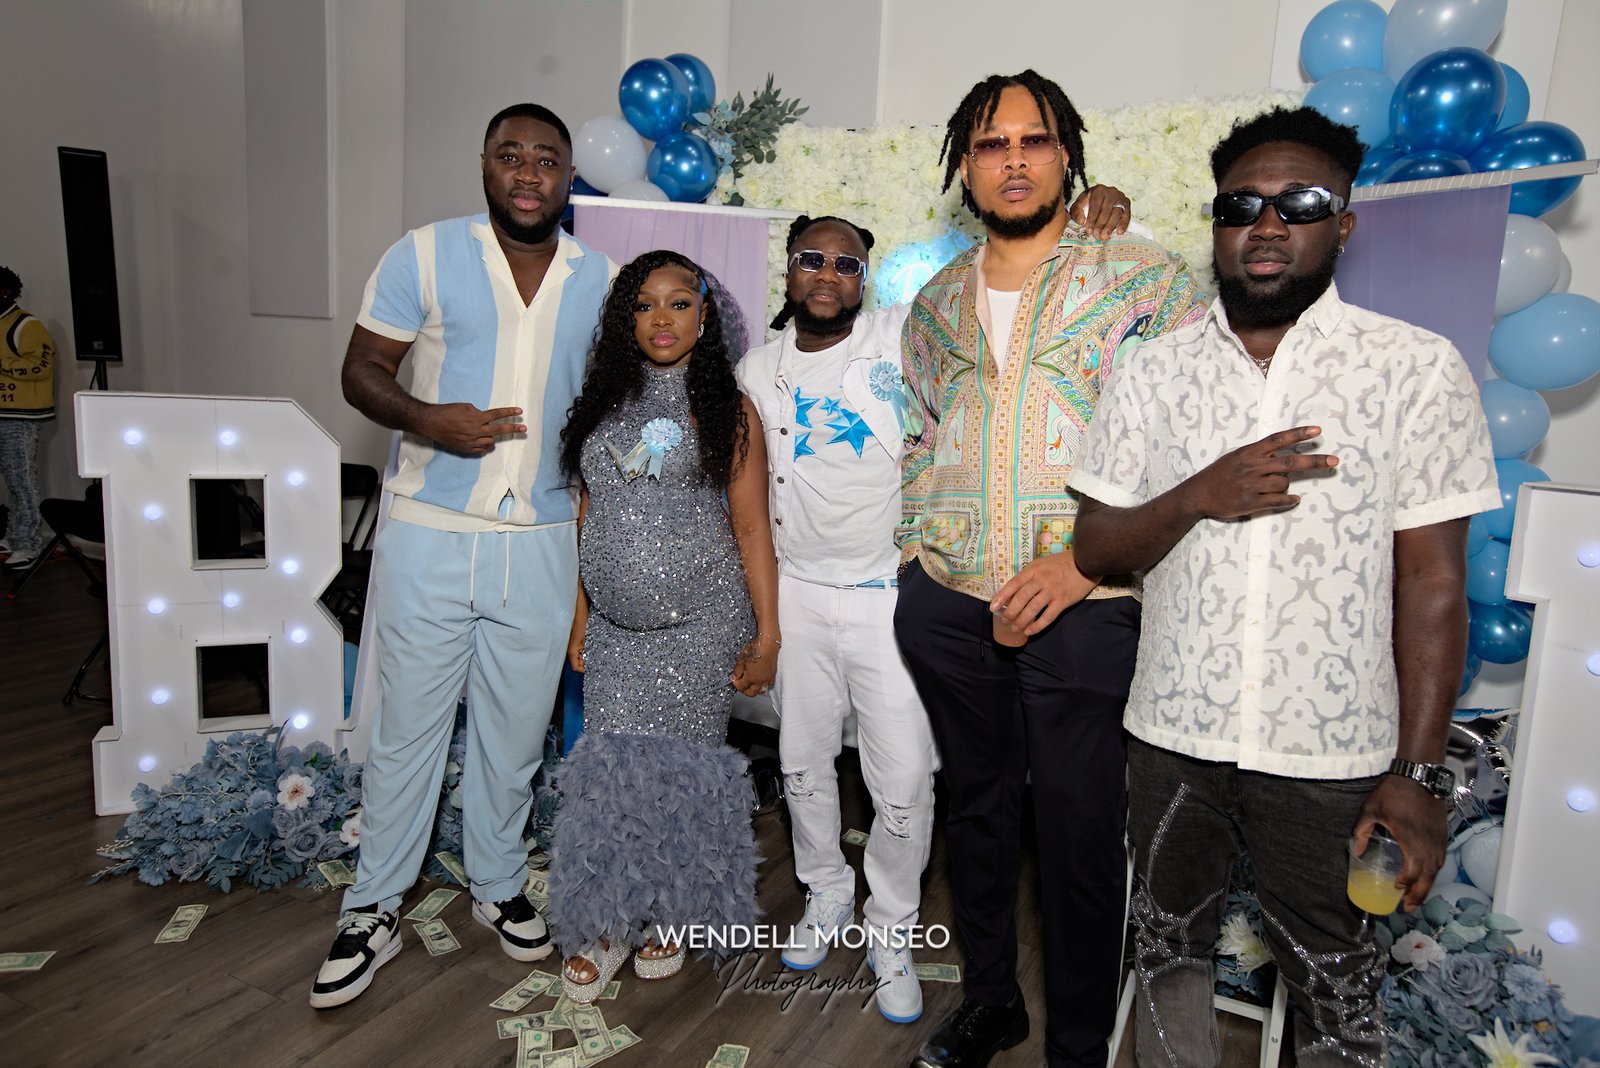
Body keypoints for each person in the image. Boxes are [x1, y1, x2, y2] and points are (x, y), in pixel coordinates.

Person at [1067, 106, 1501, 1067]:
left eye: (1298, 203)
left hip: (1335, 751)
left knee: (1335, 979)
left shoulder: (1414, 368)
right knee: (1167, 951)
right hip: (1174, 734)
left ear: (1343, 223)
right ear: (1216, 224)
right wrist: (1198, 495)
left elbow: (1433, 582)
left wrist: (1418, 775)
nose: (1266, 225)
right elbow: (1095, 546)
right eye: (1241, 205)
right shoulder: (1152, 372)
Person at [738, 190, 1132, 1026]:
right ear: (789, 270)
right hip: (799, 592)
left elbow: (1005, 285)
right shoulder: (754, 370)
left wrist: (1088, 216)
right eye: (812, 259)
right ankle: (825, 892)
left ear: (866, 279)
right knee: (802, 763)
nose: (828, 274)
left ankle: (891, 925)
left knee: (904, 782)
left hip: (888, 592)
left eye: (847, 263)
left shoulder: (904, 330)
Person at [895, 71, 1207, 1068]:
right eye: (992, 144)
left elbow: (1188, 450)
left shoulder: (1144, 278)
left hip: (1087, 598)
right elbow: (919, 432)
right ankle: (991, 1001)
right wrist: (914, 558)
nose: (1014, 160)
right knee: (976, 814)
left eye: (1034, 139)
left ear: (1067, 155)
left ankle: (1079, 1044)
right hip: (951, 598)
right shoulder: (935, 301)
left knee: (1079, 835)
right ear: (966, 167)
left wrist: (1084, 562)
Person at [310, 103, 616, 1010]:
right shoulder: (424, 254)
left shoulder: (602, 279)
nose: (528, 173)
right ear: (485, 164)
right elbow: (361, 371)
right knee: (407, 729)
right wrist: (425, 418)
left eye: (547, 160)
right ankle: (373, 906)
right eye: (510, 155)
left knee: (515, 734)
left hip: (545, 538)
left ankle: (498, 883)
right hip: (431, 528)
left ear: (569, 178)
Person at [548, 249, 779, 1003]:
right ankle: (607, 922)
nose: (662, 319)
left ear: (704, 317)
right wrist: (582, 617)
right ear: (627, 319)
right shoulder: (602, 402)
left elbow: (752, 529)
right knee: (612, 776)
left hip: (702, 623)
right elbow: (590, 513)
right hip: (616, 629)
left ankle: (671, 912)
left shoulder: (729, 410)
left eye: (680, 303)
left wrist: (768, 635)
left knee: (680, 775)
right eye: (644, 304)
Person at [0, 266, 56, 570]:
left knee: (21, 479)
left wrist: (2, 363)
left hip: (19, 415)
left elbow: (40, 366)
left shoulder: (27, 325)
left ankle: (29, 544)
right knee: (11, 480)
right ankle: (14, 535)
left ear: (6, 292)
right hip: (3, 412)